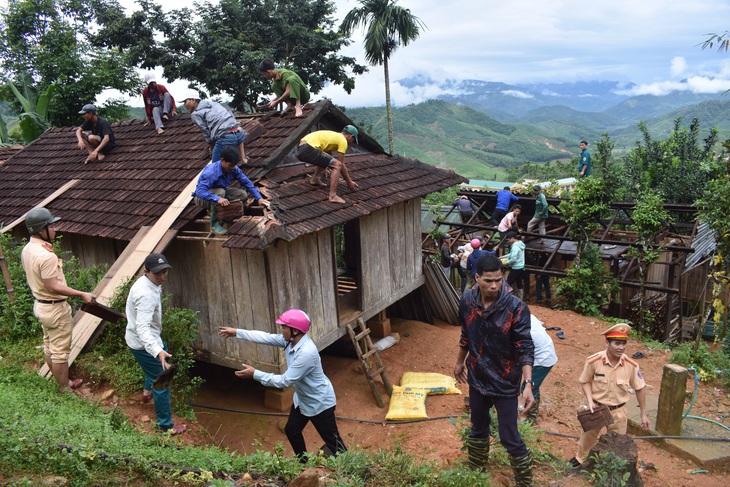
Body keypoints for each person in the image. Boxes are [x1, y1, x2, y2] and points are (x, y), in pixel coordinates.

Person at [219, 309, 347, 461]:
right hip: (303, 399)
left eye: (284, 327)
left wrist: (255, 374)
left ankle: (351, 470)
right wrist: (237, 332)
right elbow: (266, 337)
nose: (281, 330)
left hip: (319, 403)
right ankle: (303, 463)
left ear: (294, 330)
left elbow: (284, 381)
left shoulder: (306, 353)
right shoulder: (291, 341)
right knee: (292, 430)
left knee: (334, 443)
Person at [454, 253, 534, 484]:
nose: (494, 285)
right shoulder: (467, 300)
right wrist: (460, 361)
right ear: (476, 278)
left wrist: (527, 384)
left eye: (498, 280)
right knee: (478, 428)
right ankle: (476, 472)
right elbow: (466, 334)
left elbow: (525, 347)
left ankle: (524, 481)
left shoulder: (516, 307)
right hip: (477, 377)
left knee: (509, 436)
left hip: (505, 380)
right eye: (488, 280)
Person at [20, 207, 96, 392]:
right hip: (54, 308)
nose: (55, 229)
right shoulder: (47, 256)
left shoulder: (28, 249)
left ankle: (61, 382)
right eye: (51, 226)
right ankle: (65, 389)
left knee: (49, 346)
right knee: (60, 353)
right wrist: (81, 293)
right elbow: (52, 286)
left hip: (40, 306)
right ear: (41, 229)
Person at [568, 324, 650, 469]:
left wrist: (644, 414)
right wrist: (590, 401)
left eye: (624, 343)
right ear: (607, 343)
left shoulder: (631, 365)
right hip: (597, 408)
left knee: (617, 443)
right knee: (587, 438)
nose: (621, 347)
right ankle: (581, 460)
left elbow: (640, 388)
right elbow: (585, 381)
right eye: (617, 343)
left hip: (619, 411)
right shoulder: (594, 361)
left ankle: (612, 468)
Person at [125, 253, 186, 435]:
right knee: (162, 379)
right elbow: (142, 328)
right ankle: (165, 426)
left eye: (165, 271)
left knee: (154, 368)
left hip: (146, 339)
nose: (162, 276)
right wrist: (157, 350)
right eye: (157, 273)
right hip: (144, 343)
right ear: (147, 271)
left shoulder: (147, 283)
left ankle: (146, 394)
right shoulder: (145, 294)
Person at [194, 146, 270, 235]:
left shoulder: (234, 168)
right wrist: (217, 199)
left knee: (242, 194)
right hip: (202, 198)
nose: (233, 167)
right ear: (222, 160)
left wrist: (259, 198)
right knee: (220, 192)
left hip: (220, 193)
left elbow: (246, 182)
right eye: (230, 165)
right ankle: (214, 225)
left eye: (235, 165)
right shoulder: (210, 172)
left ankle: (223, 211)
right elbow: (200, 192)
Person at [183, 90, 248, 165]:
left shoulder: (195, 114)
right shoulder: (214, 104)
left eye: (185, 102)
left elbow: (206, 132)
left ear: (193, 100)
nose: (185, 105)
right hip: (240, 134)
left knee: (215, 167)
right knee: (235, 129)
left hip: (226, 138)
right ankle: (243, 159)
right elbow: (230, 114)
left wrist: (212, 148)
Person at [297, 127, 359, 204]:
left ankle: (315, 179)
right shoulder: (343, 140)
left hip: (301, 149)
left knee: (328, 159)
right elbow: (341, 164)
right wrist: (349, 181)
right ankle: (333, 196)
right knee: (337, 165)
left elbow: (327, 156)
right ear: (350, 136)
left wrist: (325, 166)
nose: (351, 142)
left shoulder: (334, 136)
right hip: (308, 149)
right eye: (353, 140)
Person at [519, 314, 557, 424]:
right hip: (545, 352)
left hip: (542, 359)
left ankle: (530, 419)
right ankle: (533, 412)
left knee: (527, 388)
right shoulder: (527, 315)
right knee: (534, 385)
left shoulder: (524, 331)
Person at [502, 232, 526, 300]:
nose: (508, 241)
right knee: (519, 283)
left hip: (516, 268)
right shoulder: (520, 244)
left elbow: (513, 259)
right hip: (521, 267)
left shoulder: (515, 247)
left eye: (509, 239)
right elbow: (511, 254)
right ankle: (520, 298)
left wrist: (506, 263)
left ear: (512, 238)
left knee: (508, 282)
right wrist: (502, 257)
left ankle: (505, 298)